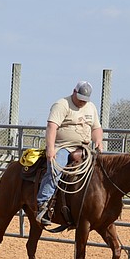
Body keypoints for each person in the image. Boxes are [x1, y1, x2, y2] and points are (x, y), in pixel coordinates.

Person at [36, 80, 104, 226]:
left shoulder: (91, 107)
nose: (82, 102)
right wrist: (50, 148)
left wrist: (98, 140)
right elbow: (52, 127)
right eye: (80, 98)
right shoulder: (62, 105)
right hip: (64, 147)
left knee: (101, 170)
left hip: (84, 148)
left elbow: (96, 128)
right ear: (74, 92)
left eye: (85, 100)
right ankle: (43, 204)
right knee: (55, 169)